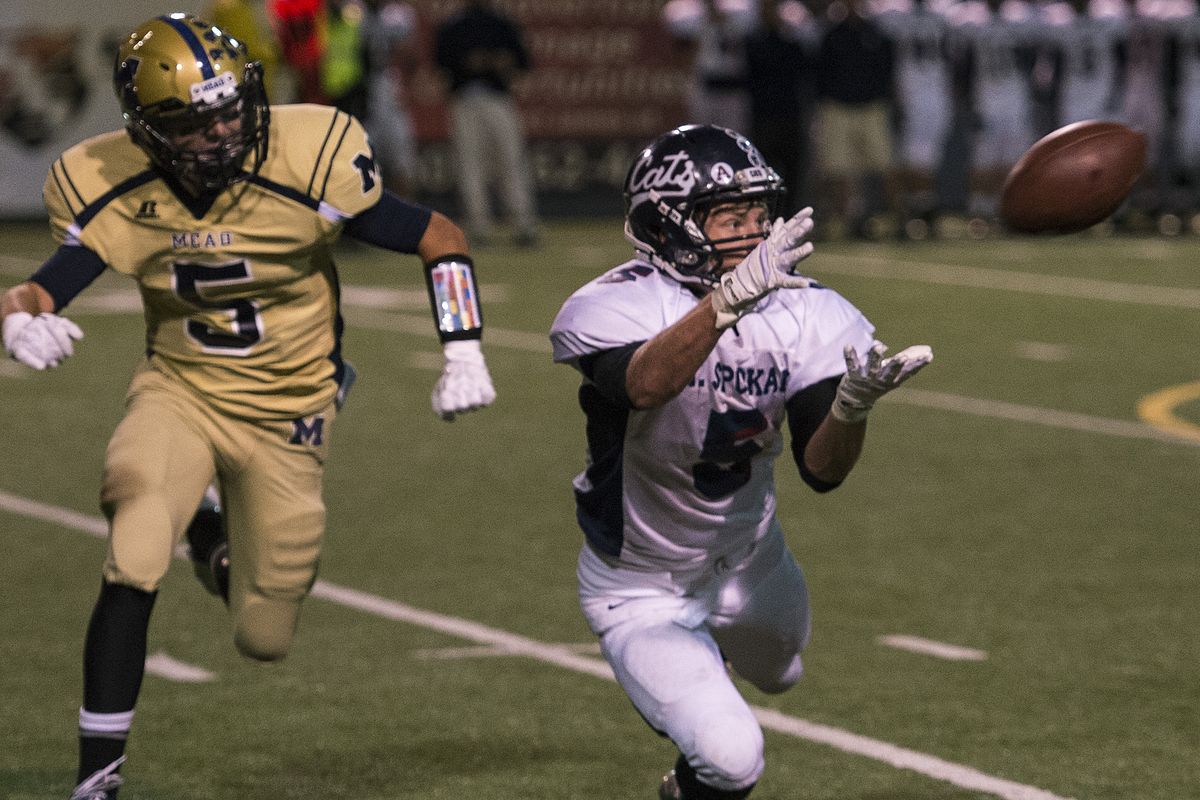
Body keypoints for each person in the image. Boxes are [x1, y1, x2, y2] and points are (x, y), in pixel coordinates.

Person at [0, 14, 496, 799]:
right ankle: (96, 782)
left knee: (263, 633)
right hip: (183, 392)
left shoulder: (311, 155)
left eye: (233, 107)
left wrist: (462, 345)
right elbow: (41, 285)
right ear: (149, 130)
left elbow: (439, 234)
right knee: (132, 545)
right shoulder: (108, 180)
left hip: (292, 410)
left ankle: (211, 537)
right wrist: (18, 318)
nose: (226, 128)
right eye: (199, 121)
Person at [549, 124, 933, 800]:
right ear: (663, 225)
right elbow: (646, 383)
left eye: (760, 216)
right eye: (731, 217)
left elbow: (823, 472)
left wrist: (851, 410)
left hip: (753, 558)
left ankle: (716, 662)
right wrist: (725, 305)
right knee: (732, 758)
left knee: (783, 669)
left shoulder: (807, 312)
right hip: (642, 586)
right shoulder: (615, 303)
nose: (755, 236)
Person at [433, 0, 539, 247]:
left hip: (497, 97)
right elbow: (442, 61)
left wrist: (499, 62)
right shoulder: (455, 25)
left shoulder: (500, 23)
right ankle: (478, 227)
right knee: (470, 164)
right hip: (464, 98)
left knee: (510, 160)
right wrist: (467, 64)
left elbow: (522, 61)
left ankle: (524, 224)